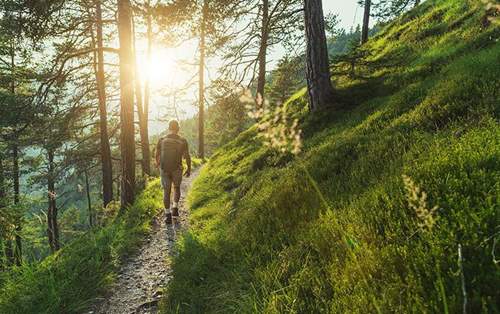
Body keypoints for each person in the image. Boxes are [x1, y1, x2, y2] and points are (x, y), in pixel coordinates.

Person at [155, 120, 191, 224]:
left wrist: (159, 164)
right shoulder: (183, 141)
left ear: (169, 128)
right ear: (178, 129)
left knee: (166, 191)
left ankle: (167, 215)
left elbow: (157, 154)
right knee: (176, 188)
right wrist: (189, 168)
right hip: (177, 169)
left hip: (164, 169)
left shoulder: (161, 140)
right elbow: (187, 156)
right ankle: (175, 208)